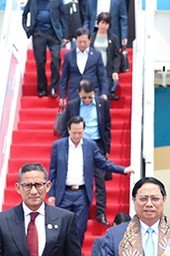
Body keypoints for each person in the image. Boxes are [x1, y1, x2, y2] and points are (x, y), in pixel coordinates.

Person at [48, 115, 133, 241]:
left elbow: (103, 163)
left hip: (82, 194)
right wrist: (51, 194)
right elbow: (53, 171)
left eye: (80, 132)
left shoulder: (90, 145)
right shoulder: (59, 146)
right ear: (69, 130)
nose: (77, 135)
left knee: (80, 229)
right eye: (74, 132)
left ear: (84, 130)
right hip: (63, 193)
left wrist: (123, 170)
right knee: (62, 229)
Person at [61, 80, 113, 226]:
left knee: (100, 180)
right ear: (79, 94)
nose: (87, 100)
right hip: (78, 144)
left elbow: (107, 127)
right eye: (84, 98)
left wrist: (107, 149)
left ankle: (100, 212)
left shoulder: (102, 104)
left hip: (96, 145)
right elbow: (66, 128)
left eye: (90, 97)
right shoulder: (72, 105)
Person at [22, 0, 64, 98]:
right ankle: (42, 88)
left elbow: (63, 17)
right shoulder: (32, 1)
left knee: (56, 59)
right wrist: (27, 29)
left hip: (54, 34)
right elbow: (24, 15)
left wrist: (65, 35)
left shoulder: (57, 1)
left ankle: (54, 87)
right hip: (38, 33)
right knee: (40, 62)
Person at [59, 27, 109, 105]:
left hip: (92, 94)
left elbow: (102, 75)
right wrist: (62, 96)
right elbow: (64, 77)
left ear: (89, 40)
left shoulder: (96, 55)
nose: (82, 44)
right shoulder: (68, 56)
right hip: (74, 94)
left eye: (85, 42)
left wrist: (104, 92)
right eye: (80, 42)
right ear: (75, 41)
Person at [90, 12, 121, 101]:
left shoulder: (113, 38)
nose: (104, 26)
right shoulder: (91, 37)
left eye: (106, 23)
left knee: (105, 97)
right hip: (93, 70)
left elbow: (116, 56)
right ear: (98, 23)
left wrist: (115, 71)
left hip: (107, 70)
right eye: (102, 23)